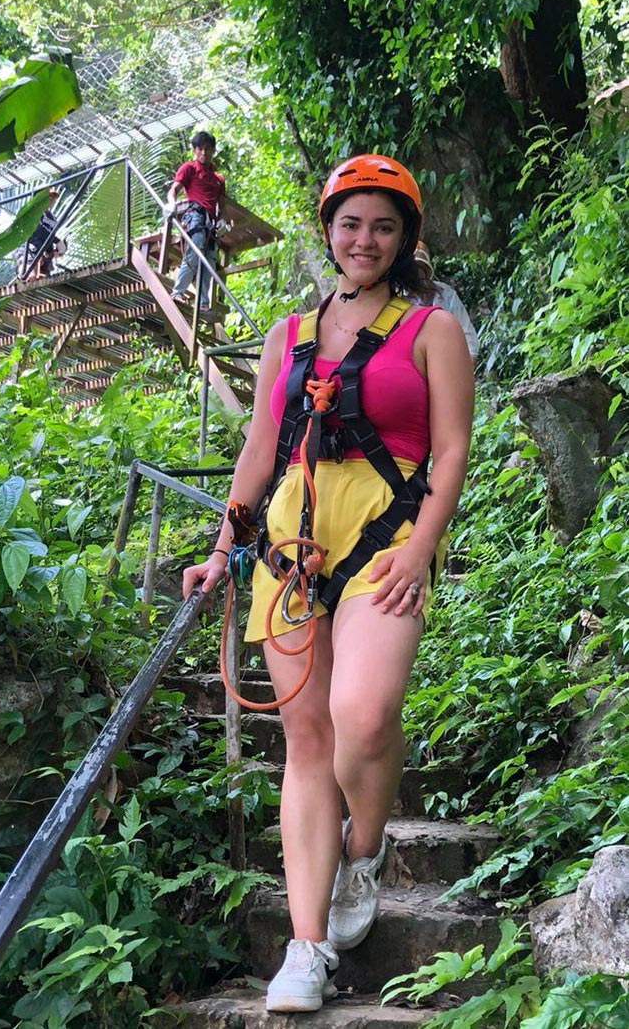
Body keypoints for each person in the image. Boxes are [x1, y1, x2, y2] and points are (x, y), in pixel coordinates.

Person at [182, 155, 474, 1013]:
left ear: (404, 239)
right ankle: (306, 948)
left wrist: (423, 547)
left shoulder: (431, 332)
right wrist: (219, 546)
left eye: (384, 226)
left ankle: (367, 848)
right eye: (351, 223)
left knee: (365, 713)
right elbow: (259, 452)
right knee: (308, 744)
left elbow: (451, 450)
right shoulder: (289, 335)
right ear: (328, 230)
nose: (365, 240)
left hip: (386, 540)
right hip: (291, 544)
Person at [166, 131, 225, 311]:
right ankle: (177, 292)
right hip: (196, 216)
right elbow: (173, 190)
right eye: (200, 149)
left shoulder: (218, 179)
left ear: (214, 151)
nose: (204, 153)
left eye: (208, 149)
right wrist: (171, 205)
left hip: (211, 224)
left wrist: (222, 221)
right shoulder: (189, 168)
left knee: (208, 261)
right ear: (194, 150)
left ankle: (203, 304)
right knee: (195, 250)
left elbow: (221, 206)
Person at [413, 241, 478, 361]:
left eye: (421, 268)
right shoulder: (397, 296)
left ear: (428, 271)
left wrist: (466, 366)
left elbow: (468, 336)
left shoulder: (446, 294)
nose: (417, 273)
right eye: (413, 269)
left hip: (447, 362)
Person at [22, 189, 67, 279]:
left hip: (43, 253)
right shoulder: (34, 212)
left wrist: (54, 251)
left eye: (53, 199)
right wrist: (57, 241)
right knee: (31, 277)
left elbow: (49, 235)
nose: (52, 201)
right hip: (29, 249)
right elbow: (38, 229)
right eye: (49, 199)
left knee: (45, 277)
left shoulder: (52, 218)